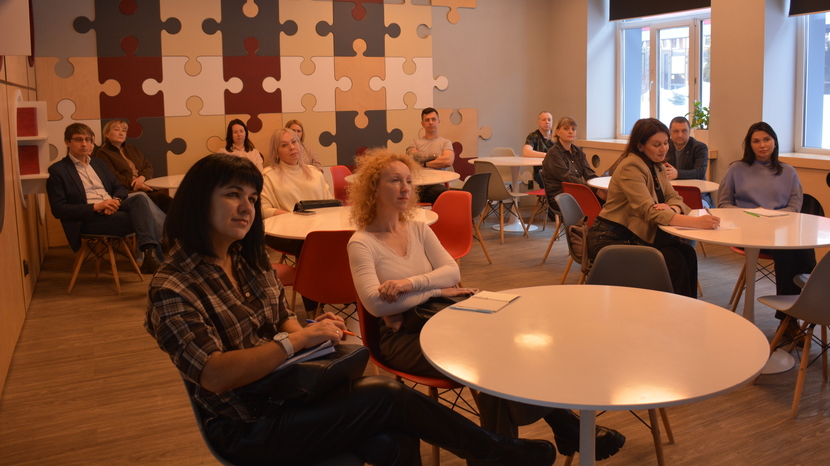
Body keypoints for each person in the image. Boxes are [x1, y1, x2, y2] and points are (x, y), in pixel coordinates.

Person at [145, 153, 556, 466]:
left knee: (394, 434)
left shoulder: (246, 261)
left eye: (252, 198)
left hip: (288, 389)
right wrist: (295, 343)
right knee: (387, 395)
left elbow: (280, 318)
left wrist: (313, 330)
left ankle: (499, 450)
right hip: (247, 423)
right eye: (232, 195)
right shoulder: (173, 286)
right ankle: (496, 451)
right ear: (198, 201)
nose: (246, 207)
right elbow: (215, 375)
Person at [348, 148, 626, 462]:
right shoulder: (362, 242)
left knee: (503, 345)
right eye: (394, 181)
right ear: (374, 189)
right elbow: (376, 306)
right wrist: (436, 289)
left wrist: (409, 286)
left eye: (408, 181)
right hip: (403, 338)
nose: (405, 188)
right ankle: (564, 427)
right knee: (489, 361)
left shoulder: (418, 228)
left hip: (444, 319)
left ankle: (509, 450)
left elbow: (451, 272)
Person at [592, 118, 720, 297]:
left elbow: (676, 199)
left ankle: (687, 308)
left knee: (687, 252)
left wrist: (672, 209)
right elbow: (650, 212)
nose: (664, 149)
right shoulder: (631, 166)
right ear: (640, 146)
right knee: (673, 259)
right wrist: (696, 222)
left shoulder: (657, 166)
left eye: (666, 143)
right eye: (657, 144)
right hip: (612, 238)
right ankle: (673, 310)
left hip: (637, 234)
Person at [717, 122, 816, 322]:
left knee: (803, 248)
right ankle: (788, 319)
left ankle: (809, 306)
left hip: (780, 230)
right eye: (756, 141)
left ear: (775, 142)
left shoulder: (788, 172)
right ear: (749, 145)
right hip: (747, 232)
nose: (762, 145)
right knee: (787, 251)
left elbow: (794, 208)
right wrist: (752, 214)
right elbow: (723, 205)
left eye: (766, 139)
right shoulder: (737, 169)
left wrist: (773, 218)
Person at [48, 123, 165, 273]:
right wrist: (98, 206)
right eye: (78, 139)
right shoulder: (58, 170)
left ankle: (149, 256)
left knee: (139, 199)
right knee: (142, 218)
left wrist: (115, 201)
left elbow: (119, 188)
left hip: (112, 206)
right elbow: (59, 209)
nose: (84, 144)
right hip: (90, 218)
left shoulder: (98, 164)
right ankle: (153, 258)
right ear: (67, 142)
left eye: (88, 140)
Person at [260, 128, 334, 316]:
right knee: (308, 245)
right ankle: (313, 310)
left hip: (317, 231)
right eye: (284, 145)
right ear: (276, 152)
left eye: (294, 142)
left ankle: (346, 297)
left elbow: (331, 203)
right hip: (281, 233)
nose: (292, 147)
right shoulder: (269, 175)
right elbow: (263, 209)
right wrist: (292, 216)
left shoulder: (314, 173)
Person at [93, 118, 173, 213]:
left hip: (146, 185)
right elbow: (113, 176)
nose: (121, 133)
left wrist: (142, 177)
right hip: (127, 190)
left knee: (168, 201)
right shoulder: (103, 153)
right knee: (152, 199)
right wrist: (138, 185)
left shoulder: (132, 148)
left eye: (124, 130)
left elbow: (148, 166)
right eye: (117, 129)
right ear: (107, 134)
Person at [541, 116, 602, 211]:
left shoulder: (579, 151)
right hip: (561, 196)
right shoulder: (554, 153)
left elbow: (589, 174)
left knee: (610, 199)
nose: (571, 131)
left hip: (577, 191)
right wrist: (595, 190)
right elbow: (568, 178)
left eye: (573, 129)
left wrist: (600, 187)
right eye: (566, 129)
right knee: (603, 202)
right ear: (557, 132)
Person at [406, 107, 454, 204]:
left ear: (438, 122)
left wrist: (423, 163)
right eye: (427, 120)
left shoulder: (445, 142)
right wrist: (435, 156)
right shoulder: (415, 143)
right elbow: (412, 159)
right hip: (417, 185)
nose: (431, 122)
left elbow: (448, 161)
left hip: (436, 185)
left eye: (433, 119)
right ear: (422, 124)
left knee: (448, 196)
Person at [664, 116, 711, 207]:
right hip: (670, 193)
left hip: (695, 192)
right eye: (676, 131)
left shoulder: (699, 147)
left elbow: (700, 172)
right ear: (670, 132)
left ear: (689, 131)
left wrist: (677, 174)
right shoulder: (665, 146)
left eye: (684, 131)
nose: (680, 135)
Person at [523, 111, 554, 189]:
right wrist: (547, 155)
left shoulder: (557, 136)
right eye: (544, 120)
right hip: (541, 170)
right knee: (549, 183)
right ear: (538, 122)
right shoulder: (533, 136)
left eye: (549, 120)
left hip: (557, 169)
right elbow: (526, 152)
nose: (547, 122)